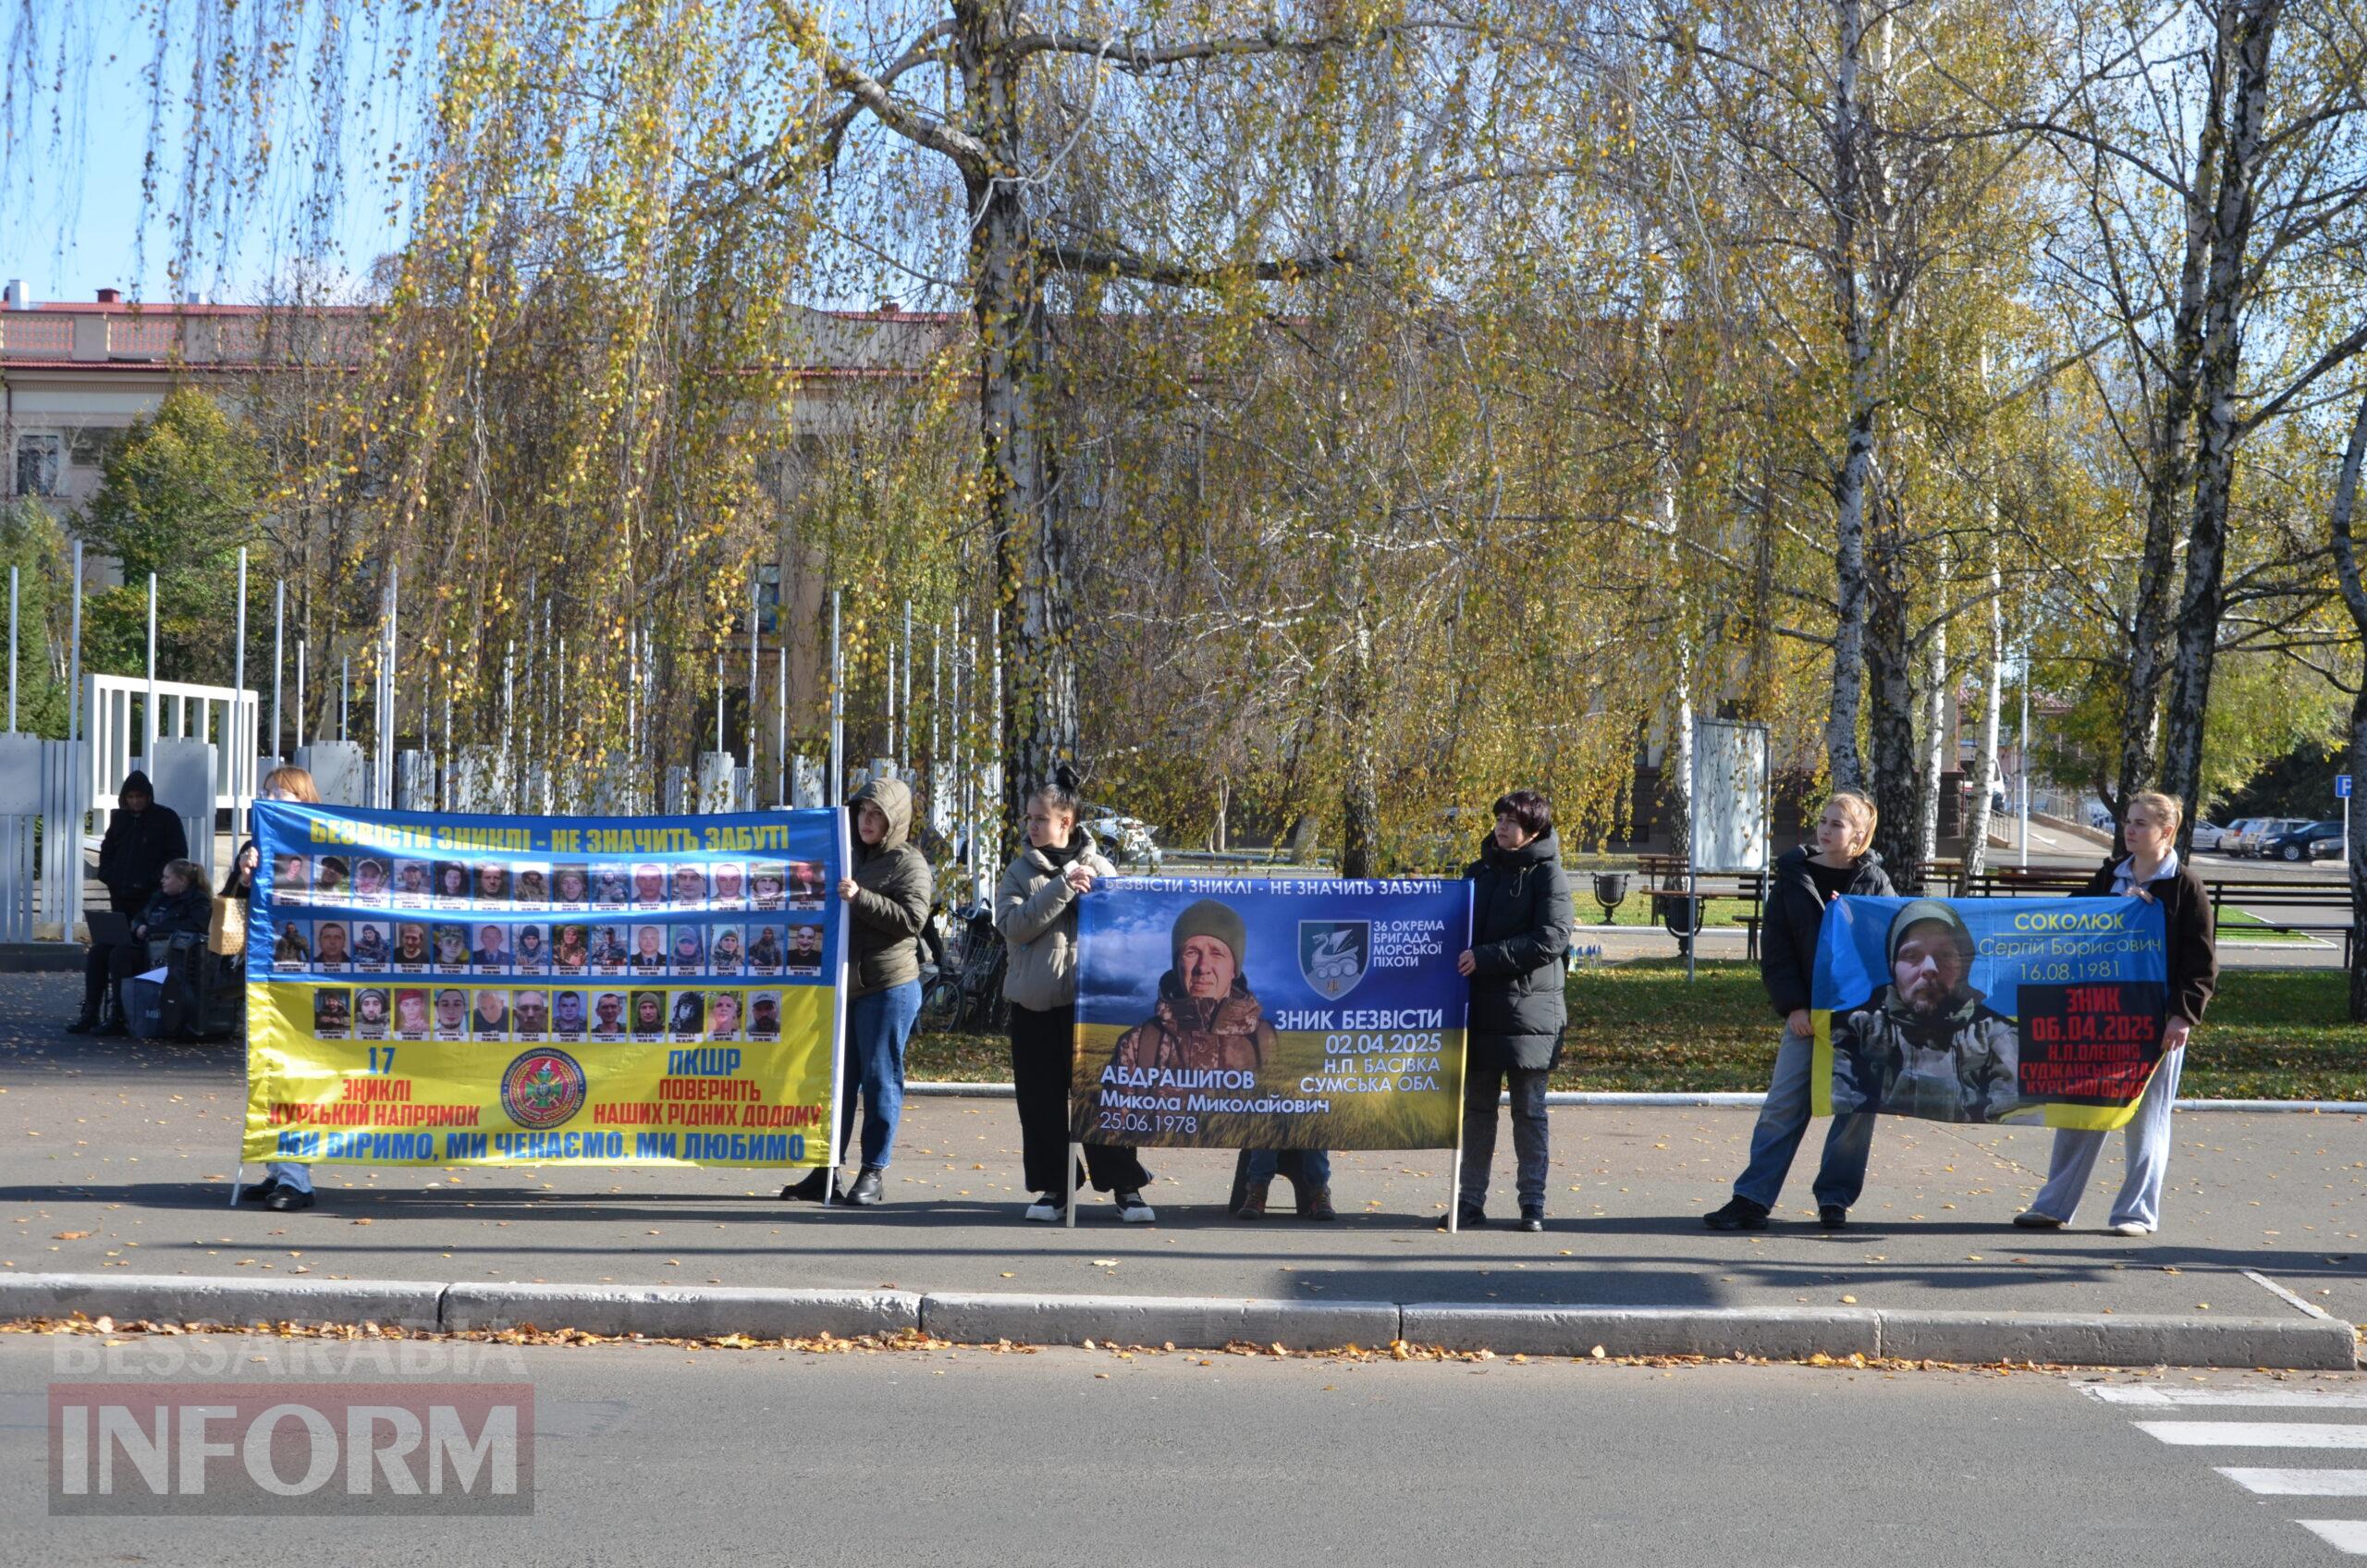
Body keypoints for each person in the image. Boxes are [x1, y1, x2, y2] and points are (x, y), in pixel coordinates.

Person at [2016, 790, 2218, 1236]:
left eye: (2141, 823)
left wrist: (2182, 1015)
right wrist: (2113, 908)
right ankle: (2052, 1206)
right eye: (2128, 821)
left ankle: (2136, 1214)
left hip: (2155, 1022)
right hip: (2101, 1015)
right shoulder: (2111, 875)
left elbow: (2200, 965)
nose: (2129, 829)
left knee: (2146, 1120)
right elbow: (2073, 920)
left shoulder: (2185, 886)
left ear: (2167, 831)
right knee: (2081, 1111)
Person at [1706, 790, 1894, 1232]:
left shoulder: (1875, 883)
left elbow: (1890, 947)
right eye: (1824, 821)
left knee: (1856, 1111)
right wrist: (1794, 1006)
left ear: (1860, 836)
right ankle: (1751, 1200)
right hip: (1808, 1016)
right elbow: (1777, 952)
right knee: (1783, 1106)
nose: (1825, 830)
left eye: (1837, 825)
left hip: (1860, 1018)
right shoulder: (1793, 877)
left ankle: (1834, 1200)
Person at [995, 777, 1151, 1223]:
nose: (1032, 826)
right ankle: (1055, 1189)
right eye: (1029, 818)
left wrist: (1091, 895)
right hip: (1034, 1007)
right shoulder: (1019, 872)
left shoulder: (1102, 868)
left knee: (1106, 1098)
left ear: (1067, 821)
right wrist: (1062, 885)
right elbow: (1014, 926)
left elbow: (1126, 931)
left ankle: (1127, 1188)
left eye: (1041, 818)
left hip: (1093, 1010)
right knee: (1040, 1103)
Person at [781, 777, 931, 1207]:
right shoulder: (845, 852)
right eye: (863, 812)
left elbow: (912, 920)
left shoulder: (908, 862)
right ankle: (826, 1170)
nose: (867, 821)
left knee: (881, 1079)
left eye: (877, 814)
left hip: (887, 987)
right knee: (835, 1083)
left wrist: (861, 897)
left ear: (894, 820)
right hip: (840, 986)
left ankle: (873, 1172)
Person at [1449, 790, 1572, 1233]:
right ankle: (1468, 1202)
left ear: (1534, 829)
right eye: (1499, 817)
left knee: (1529, 1111)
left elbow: (1552, 938)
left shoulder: (1549, 875)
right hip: (1479, 1010)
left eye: (1512, 820)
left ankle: (1532, 1205)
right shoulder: (1477, 873)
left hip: (1529, 1015)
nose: (1502, 826)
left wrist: (1487, 956)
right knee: (1476, 1111)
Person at [222, 766, 323, 1213]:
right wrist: (246, 875)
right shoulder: (257, 846)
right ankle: (278, 1169)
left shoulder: (322, 844)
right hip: (267, 979)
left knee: (294, 1076)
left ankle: (297, 1179)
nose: (274, 798)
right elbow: (231, 906)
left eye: (285, 793)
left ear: (306, 799)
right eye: (268, 792)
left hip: (307, 982)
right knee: (268, 1073)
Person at [1828, 900, 2017, 1124]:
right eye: (1911, 955)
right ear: (1892, 966)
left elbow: (2021, 1113)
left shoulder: (1996, 1034)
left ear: (1964, 966)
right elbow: (1838, 1097)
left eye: (1945, 955)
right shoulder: (1856, 1029)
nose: (1929, 968)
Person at [72, 770, 190, 1033]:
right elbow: (108, 850)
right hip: (121, 898)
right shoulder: (121, 820)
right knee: (99, 952)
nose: (135, 802)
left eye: (140, 797)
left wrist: (152, 881)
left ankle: (120, 1015)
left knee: (121, 954)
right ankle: (90, 1012)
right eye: (131, 797)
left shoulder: (165, 819)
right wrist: (109, 875)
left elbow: (177, 856)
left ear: (149, 797)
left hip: (150, 901)